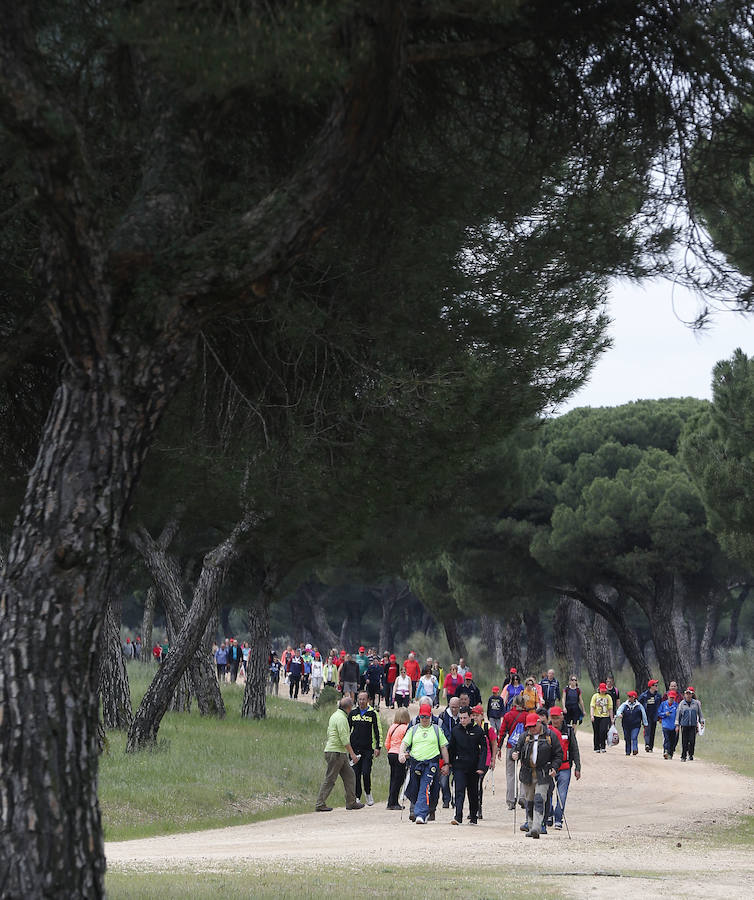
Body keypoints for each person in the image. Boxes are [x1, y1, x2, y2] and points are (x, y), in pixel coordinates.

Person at [512, 712, 563, 839]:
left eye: (533, 726)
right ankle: (530, 826)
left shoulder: (550, 736)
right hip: (527, 774)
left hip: (543, 773)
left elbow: (558, 754)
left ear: (539, 723)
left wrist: (554, 767)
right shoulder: (524, 737)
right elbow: (516, 749)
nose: (531, 729)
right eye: (529, 727)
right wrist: (514, 754)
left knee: (540, 799)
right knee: (529, 801)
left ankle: (537, 827)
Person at [399, 701, 449, 824]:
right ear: (419, 716)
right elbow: (404, 743)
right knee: (414, 788)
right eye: (422, 716)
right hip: (416, 763)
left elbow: (443, 748)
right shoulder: (413, 729)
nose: (424, 719)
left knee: (424, 787)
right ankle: (426, 810)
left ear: (431, 716)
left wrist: (447, 764)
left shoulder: (437, 730)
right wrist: (401, 753)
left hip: (431, 764)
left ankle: (420, 814)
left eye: (427, 716)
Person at [315, 697, 364, 812]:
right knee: (331, 778)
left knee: (350, 775)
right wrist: (352, 754)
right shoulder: (341, 719)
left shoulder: (335, 716)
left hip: (338, 752)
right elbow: (344, 738)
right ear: (348, 707)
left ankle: (351, 802)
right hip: (336, 752)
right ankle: (320, 803)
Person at [448, 706, 486, 826]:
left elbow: (484, 749)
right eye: (461, 718)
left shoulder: (478, 731)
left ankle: (473, 816)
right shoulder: (455, 730)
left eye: (465, 718)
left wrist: (481, 767)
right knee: (459, 791)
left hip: (474, 766)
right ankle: (458, 816)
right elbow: (451, 749)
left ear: (470, 717)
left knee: (473, 792)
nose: (463, 720)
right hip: (459, 765)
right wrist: (448, 763)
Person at [548, 706, 581, 830]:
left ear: (562, 717)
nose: (555, 720)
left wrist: (578, 767)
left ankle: (558, 818)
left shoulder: (568, 730)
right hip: (550, 768)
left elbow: (574, 749)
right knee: (547, 793)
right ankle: (549, 814)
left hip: (565, 767)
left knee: (561, 794)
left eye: (557, 718)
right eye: (553, 718)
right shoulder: (546, 730)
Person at [349, 691, 383, 806]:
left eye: (363, 699)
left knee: (366, 772)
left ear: (368, 700)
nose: (361, 701)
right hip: (354, 749)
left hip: (368, 749)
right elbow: (347, 730)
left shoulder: (373, 713)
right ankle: (357, 796)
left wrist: (378, 746)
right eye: (359, 699)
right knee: (355, 774)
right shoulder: (353, 713)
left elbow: (378, 730)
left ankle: (368, 793)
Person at [497, 695, 528, 810]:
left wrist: (499, 746)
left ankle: (511, 800)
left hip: (511, 746)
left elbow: (502, 732)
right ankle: (523, 797)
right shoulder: (527, 716)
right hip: (524, 746)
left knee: (510, 774)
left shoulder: (508, 715)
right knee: (525, 771)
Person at [472, 704, 497, 820]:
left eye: (477, 715)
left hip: (485, 759)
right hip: (473, 759)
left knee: (478, 783)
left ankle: (478, 809)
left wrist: (493, 760)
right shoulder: (470, 727)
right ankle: (474, 808)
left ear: (482, 716)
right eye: (473, 715)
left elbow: (494, 743)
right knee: (473, 784)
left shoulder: (488, 728)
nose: (475, 717)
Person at [384, 708, 411, 809]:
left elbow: (387, 743)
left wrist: (390, 750)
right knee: (399, 779)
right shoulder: (406, 728)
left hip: (391, 753)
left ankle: (392, 801)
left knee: (393, 778)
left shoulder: (392, 727)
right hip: (400, 755)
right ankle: (392, 802)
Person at [438, 696, 461, 808]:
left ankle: (455, 800)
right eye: (452, 707)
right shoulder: (443, 717)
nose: (454, 710)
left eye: (456, 707)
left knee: (457, 779)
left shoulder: (462, 717)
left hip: (457, 754)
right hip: (445, 753)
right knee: (443, 780)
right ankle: (446, 799)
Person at [615, 691, 648, 756]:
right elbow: (619, 711)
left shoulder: (639, 706)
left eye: (630, 696)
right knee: (627, 738)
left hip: (636, 725)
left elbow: (644, 714)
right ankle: (628, 751)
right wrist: (619, 715)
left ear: (634, 697)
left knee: (634, 737)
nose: (629, 698)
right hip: (626, 724)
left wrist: (645, 723)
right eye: (628, 696)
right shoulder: (625, 704)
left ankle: (635, 749)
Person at [676, 687, 704, 761]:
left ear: (692, 695)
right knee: (684, 741)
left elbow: (700, 713)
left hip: (693, 725)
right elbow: (678, 715)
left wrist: (702, 722)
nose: (688, 695)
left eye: (690, 694)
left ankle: (691, 754)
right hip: (684, 725)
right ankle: (683, 756)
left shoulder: (696, 703)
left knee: (692, 741)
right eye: (687, 694)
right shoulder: (682, 704)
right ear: (685, 695)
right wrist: (677, 725)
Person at [589, 682, 614, 752]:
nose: (603, 691)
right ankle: (596, 747)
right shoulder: (595, 696)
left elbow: (610, 708)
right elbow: (592, 707)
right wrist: (591, 715)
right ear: (599, 689)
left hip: (605, 716)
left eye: (604, 689)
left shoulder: (608, 697)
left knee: (603, 731)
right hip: (596, 716)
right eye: (601, 689)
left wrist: (612, 718)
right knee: (596, 732)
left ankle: (603, 746)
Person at [638, 679, 662, 752]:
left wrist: (659, 716)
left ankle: (651, 747)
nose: (656, 686)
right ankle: (647, 744)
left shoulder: (658, 696)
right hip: (646, 716)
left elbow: (660, 706)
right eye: (655, 685)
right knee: (647, 730)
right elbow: (639, 704)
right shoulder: (644, 695)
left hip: (654, 716)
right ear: (651, 686)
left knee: (652, 731)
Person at [657, 691, 679, 759]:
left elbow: (679, 715)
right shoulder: (663, 704)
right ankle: (665, 751)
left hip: (673, 726)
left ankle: (670, 754)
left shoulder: (676, 705)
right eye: (670, 697)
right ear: (668, 697)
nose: (671, 699)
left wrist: (677, 725)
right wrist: (664, 714)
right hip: (665, 725)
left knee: (673, 740)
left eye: (673, 697)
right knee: (667, 739)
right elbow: (659, 713)